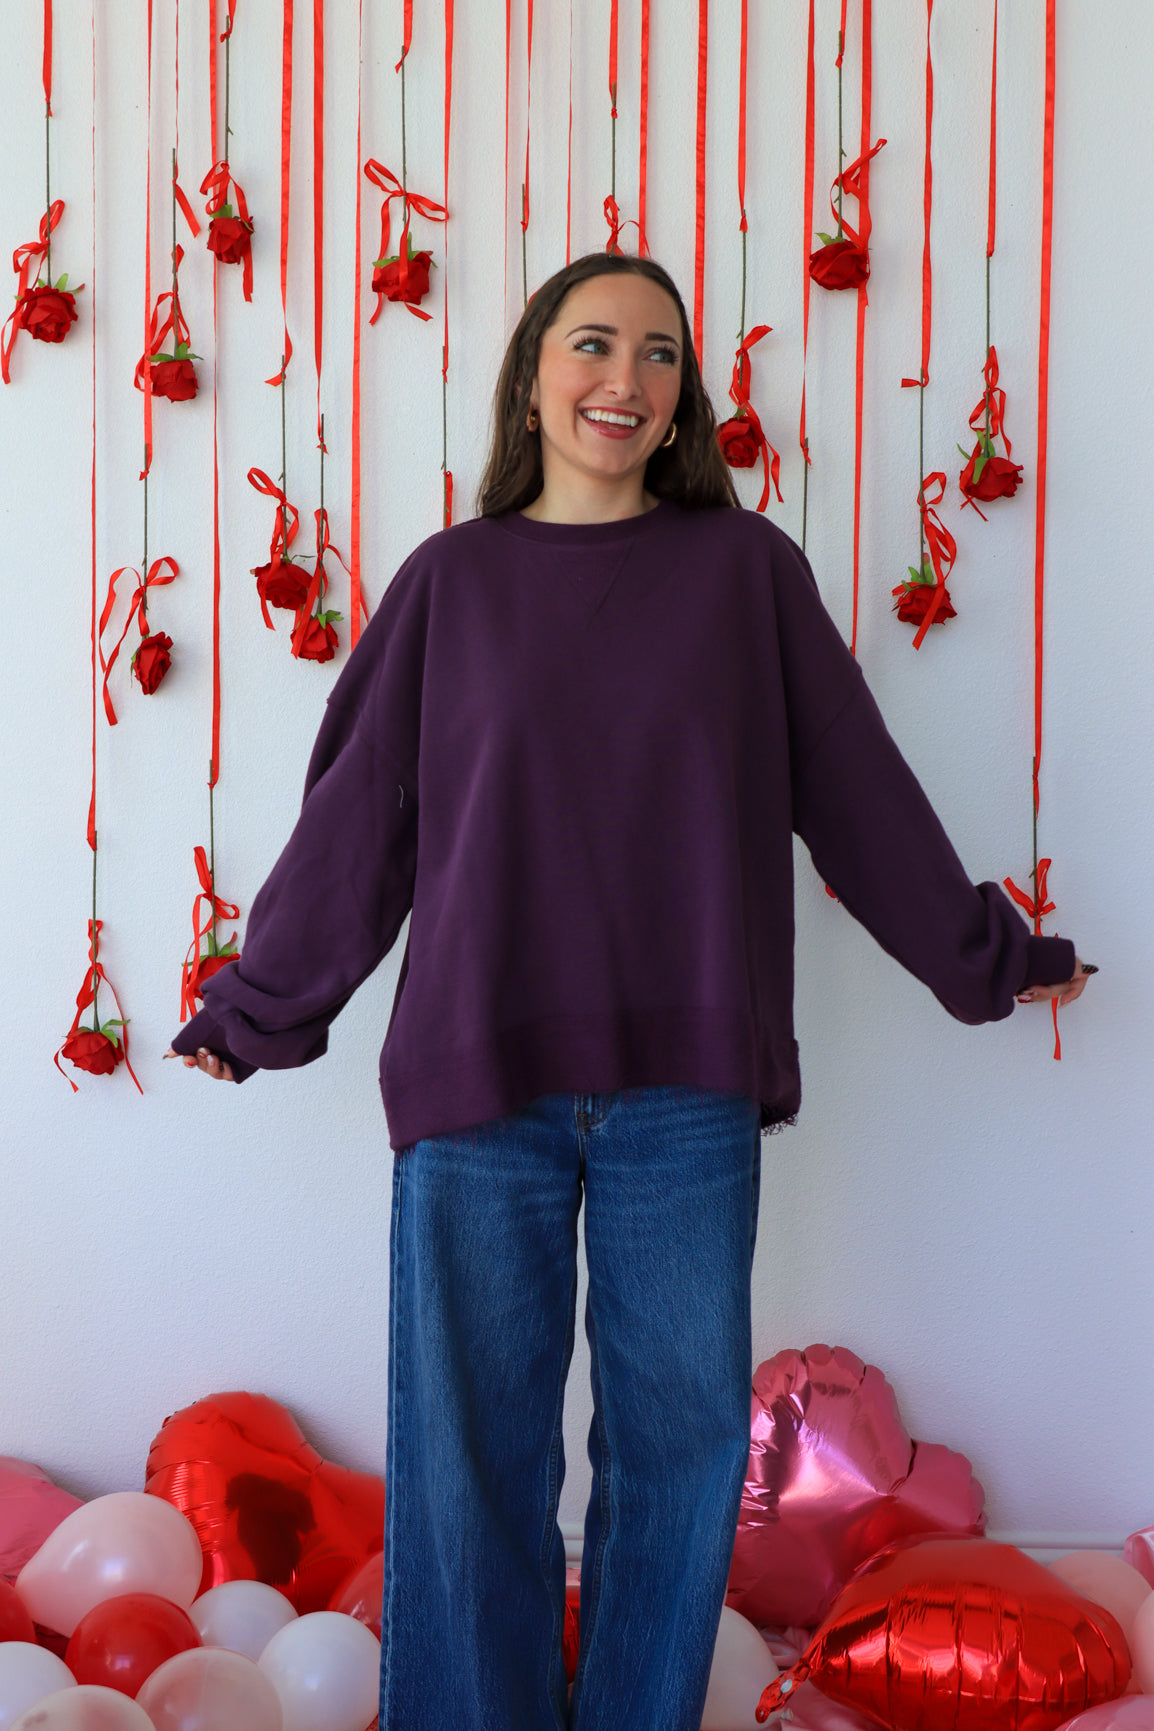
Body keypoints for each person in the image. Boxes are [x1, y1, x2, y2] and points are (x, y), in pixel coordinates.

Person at [168, 253, 1090, 1731]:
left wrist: (989, 957)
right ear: (533, 373)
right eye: (593, 343)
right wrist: (261, 1004)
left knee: (673, 1466)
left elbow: (859, 795)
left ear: (683, 400)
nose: (626, 378)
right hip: (478, 1085)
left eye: (660, 355)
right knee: (470, 1467)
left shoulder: (746, 576)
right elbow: (360, 821)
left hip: (686, 1096)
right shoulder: (449, 585)